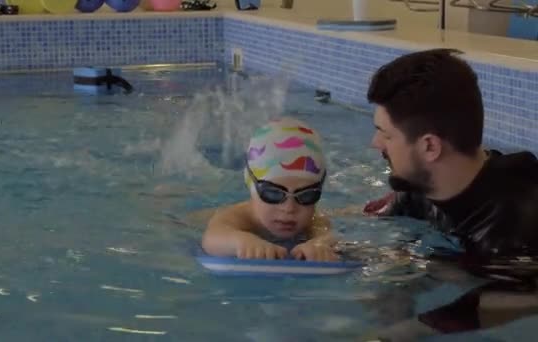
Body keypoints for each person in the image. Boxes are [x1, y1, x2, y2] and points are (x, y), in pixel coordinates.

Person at [361, 48, 538, 262]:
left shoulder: (510, 240)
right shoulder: (421, 184)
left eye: (385, 135)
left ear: (430, 147)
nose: (375, 143)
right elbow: (357, 219)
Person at [201, 117, 338, 261]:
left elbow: (329, 237)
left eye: (307, 195)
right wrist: (243, 241)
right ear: (251, 186)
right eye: (273, 193)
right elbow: (212, 238)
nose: (289, 208)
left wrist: (319, 244)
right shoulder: (236, 217)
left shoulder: (314, 220)